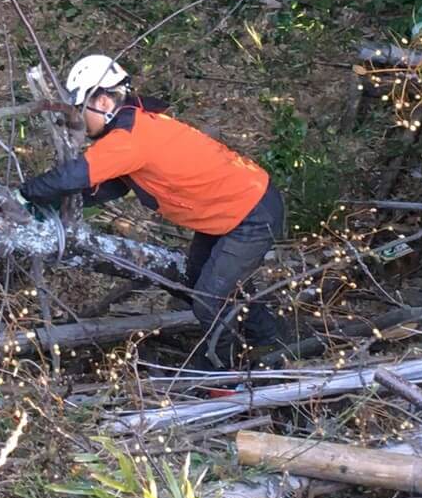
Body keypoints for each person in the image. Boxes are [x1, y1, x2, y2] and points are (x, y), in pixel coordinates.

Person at [18, 54, 287, 366]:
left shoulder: (130, 138)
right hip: (229, 211)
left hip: (249, 212)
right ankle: (270, 340)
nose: (79, 120)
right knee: (199, 280)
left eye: (80, 110)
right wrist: (50, 204)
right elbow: (112, 185)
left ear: (103, 102)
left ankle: (226, 371)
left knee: (208, 300)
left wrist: (24, 194)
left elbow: (73, 176)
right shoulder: (135, 126)